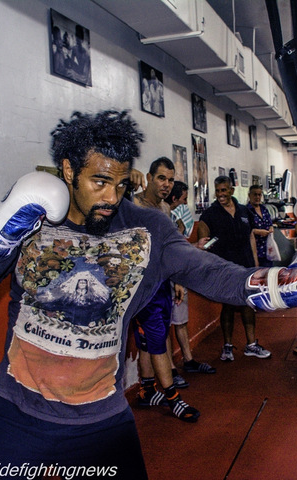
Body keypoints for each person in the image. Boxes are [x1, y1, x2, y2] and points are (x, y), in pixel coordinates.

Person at [0, 109, 297, 478]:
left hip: (100, 419)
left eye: (119, 184)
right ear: (68, 170)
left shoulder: (146, 228)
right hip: (13, 411)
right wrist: (1, 238)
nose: (111, 198)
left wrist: (282, 285)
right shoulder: (31, 218)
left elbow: (206, 271)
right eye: (98, 182)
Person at [131, 157, 200, 422]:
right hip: (140, 287)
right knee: (157, 339)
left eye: (170, 180)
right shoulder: (132, 204)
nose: (166, 184)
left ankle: (148, 390)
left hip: (161, 283)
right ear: (148, 177)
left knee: (148, 341)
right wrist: (127, 175)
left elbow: (168, 249)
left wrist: (178, 280)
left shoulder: (165, 210)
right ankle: (173, 398)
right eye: (161, 178)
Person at [197, 176, 272, 362]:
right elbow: (204, 243)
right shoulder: (209, 214)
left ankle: (251, 344)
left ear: (231, 190)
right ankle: (228, 346)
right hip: (225, 269)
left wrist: (255, 265)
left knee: (248, 303)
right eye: (218, 191)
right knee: (228, 306)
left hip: (246, 266)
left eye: (224, 190)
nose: (221, 194)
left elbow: (251, 237)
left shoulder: (244, 211)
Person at [164, 181, 216, 380]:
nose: (185, 203)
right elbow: (167, 252)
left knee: (180, 320)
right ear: (174, 198)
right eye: (184, 198)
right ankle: (170, 369)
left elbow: (179, 248)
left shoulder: (174, 217)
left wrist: (195, 245)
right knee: (165, 324)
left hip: (178, 273)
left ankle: (189, 360)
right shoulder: (161, 217)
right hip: (165, 275)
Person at [247, 184, 274, 267]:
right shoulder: (246, 211)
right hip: (255, 252)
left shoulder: (264, 209)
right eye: (255, 194)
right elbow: (246, 230)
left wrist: (271, 228)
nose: (257, 197)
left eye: (259, 194)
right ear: (249, 195)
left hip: (267, 250)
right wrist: (258, 232)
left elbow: (270, 224)